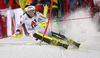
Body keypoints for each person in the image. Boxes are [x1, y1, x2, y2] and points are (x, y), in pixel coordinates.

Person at [12, 4, 81, 49]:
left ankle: (72, 42)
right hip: (32, 31)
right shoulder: (24, 17)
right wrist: (17, 31)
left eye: (33, 11)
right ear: (26, 12)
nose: (32, 13)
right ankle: (58, 43)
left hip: (40, 27)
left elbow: (46, 19)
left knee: (52, 34)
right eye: (29, 12)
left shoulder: (38, 14)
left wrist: (44, 22)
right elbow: (18, 24)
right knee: (38, 35)